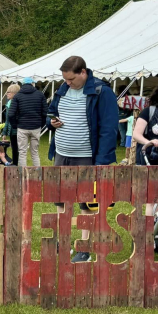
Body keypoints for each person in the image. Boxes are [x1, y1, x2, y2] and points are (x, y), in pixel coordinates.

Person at [47, 56, 118, 263]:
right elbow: (51, 112)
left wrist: (102, 161)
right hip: (62, 154)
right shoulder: (63, 89)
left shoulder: (101, 92)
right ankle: (64, 240)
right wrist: (51, 121)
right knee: (60, 199)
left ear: (83, 72)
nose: (67, 83)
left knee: (86, 202)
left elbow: (109, 127)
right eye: (65, 79)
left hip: (87, 156)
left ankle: (84, 247)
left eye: (71, 79)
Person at [8, 77, 47, 167]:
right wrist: (41, 124)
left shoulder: (18, 96)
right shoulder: (40, 95)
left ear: (22, 84)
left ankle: (22, 176)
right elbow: (45, 112)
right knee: (35, 152)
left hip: (22, 127)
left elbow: (11, 114)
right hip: (36, 127)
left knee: (22, 152)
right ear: (32, 84)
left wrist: (15, 125)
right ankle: (37, 175)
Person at [2, 83, 20, 163]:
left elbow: (10, 119)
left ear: (15, 93)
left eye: (9, 92)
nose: (7, 94)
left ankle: (16, 164)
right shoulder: (9, 104)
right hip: (12, 129)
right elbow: (7, 120)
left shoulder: (16, 104)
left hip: (16, 129)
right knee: (14, 147)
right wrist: (4, 132)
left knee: (16, 148)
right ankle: (15, 162)